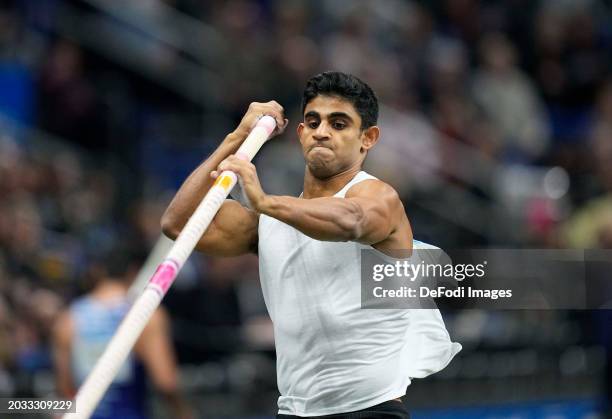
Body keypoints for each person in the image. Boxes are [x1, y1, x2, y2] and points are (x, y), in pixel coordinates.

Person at [162, 71, 460, 418]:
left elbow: (350, 220)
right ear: (301, 133)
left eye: (339, 123)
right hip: (295, 411)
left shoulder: (379, 197)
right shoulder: (271, 221)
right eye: (313, 121)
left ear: (368, 138)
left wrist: (266, 202)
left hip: (371, 410)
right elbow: (178, 223)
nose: (322, 132)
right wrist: (237, 138)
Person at [52, 247, 192, 419]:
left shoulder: (69, 320)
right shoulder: (145, 315)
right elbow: (165, 383)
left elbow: (64, 390)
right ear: (134, 271)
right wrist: (183, 413)